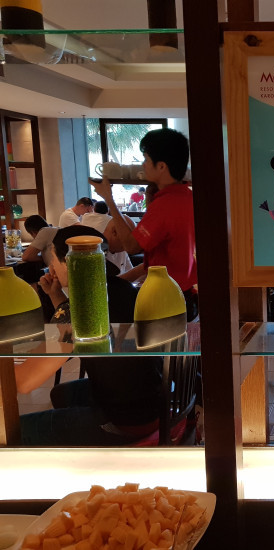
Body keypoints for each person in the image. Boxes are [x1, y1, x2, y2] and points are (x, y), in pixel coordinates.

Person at [17, 225, 163, 446]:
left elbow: (25, 382)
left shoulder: (82, 309)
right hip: (153, 402)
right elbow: (75, 332)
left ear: (69, 262)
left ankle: (96, 442)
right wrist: (56, 295)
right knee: (59, 394)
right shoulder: (124, 289)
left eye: (53, 260)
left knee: (18, 429)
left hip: (125, 421)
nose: (50, 267)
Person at [91, 129, 198, 321]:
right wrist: (151, 199)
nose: (143, 165)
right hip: (185, 293)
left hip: (165, 298)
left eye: (146, 159)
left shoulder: (164, 205)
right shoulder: (187, 196)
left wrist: (109, 199)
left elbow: (131, 246)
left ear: (161, 166)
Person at [81, 201, 135, 275]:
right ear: (114, 232)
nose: (128, 246)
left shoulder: (121, 250)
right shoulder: (94, 251)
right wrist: (140, 270)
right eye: (127, 240)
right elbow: (108, 280)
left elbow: (130, 270)